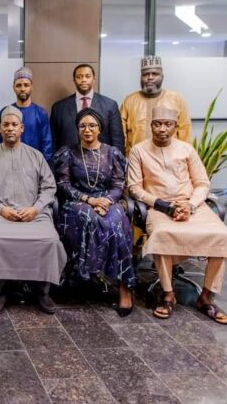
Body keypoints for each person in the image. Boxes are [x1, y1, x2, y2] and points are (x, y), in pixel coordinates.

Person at [127, 106, 227, 324]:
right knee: (162, 234)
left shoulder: (187, 149)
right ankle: (168, 294)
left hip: (193, 207)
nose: (162, 129)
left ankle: (206, 298)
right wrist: (163, 205)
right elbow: (134, 188)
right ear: (151, 126)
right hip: (159, 208)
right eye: (157, 124)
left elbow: (202, 183)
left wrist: (189, 205)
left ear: (175, 127)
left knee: (222, 236)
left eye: (167, 124)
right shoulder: (139, 150)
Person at [0, 106, 66, 315]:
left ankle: (42, 290)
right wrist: (0, 209)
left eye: (14, 125)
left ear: (22, 128)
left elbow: (50, 187)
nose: (10, 129)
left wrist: (36, 208)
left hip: (33, 214)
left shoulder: (36, 156)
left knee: (49, 240)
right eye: (6, 125)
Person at [54, 108, 135, 316]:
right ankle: (82, 277)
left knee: (116, 222)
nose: (87, 130)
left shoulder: (112, 153)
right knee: (88, 217)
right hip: (77, 201)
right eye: (83, 126)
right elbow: (63, 184)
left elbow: (118, 185)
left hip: (108, 200)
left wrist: (105, 201)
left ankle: (124, 286)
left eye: (92, 126)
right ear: (77, 129)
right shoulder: (68, 153)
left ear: (100, 128)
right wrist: (89, 200)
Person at [120, 55, 191, 156]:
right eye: (145, 74)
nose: (150, 78)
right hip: (136, 159)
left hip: (169, 160)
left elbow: (185, 133)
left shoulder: (176, 99)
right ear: (141, 77)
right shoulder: (129, 101)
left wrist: (184, 159)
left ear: (162, 76)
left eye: (155, 74)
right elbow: (121, 135)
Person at [50, 64, 124, 153]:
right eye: (79, 77)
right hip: (69, 163)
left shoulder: (110, 105)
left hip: (102, 162)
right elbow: (54, 141)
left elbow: (117, 140)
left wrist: (117, 163)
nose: (83, 80)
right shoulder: (59, 108)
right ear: (74, 80)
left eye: (87, 76)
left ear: (94, 78)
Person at [1, 67, 53, 164]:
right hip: (8, 163)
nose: (22, 89)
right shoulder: (5, 112)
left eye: (26, 85)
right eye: (19, 85)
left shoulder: (40, 113)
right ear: (13, 87)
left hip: (34, 164)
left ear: (31, 87)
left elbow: (47, 144)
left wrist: (44, 167)